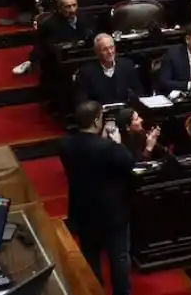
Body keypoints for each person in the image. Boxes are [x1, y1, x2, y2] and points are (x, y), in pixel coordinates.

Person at [60, 101, 134, 295]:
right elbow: (127, 163)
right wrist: (116, 143)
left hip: (83, 211)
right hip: (112, 214)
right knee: (118, 258)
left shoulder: (66, 144)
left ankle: (93, 291)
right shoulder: (108, 148)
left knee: (90, 257)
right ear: (96, 120)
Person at [12, 0, 95, 76]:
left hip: (84, 58)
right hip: (61, 64)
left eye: (74, 5)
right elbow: (45, 47)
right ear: (59, 8)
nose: (72, 10)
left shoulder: (85, 18)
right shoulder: (49, 25)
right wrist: (32, 60)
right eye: (68, 7)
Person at [76, 34, 143, 105]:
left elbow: (138, 92)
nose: (110, 52)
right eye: (105, 49)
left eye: (111, 47)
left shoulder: (127, 65)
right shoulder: (86, 72)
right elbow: (83, 102)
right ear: (97, 52)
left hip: (125, 112)